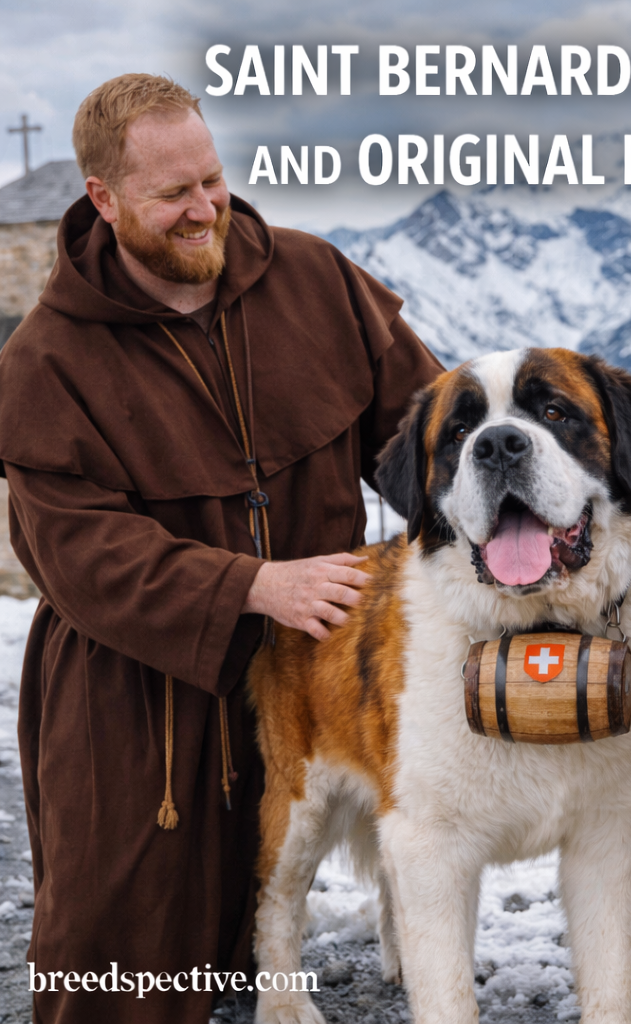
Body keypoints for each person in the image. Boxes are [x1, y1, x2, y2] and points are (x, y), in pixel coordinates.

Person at [0, 74, 442, 1023]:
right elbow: (75, 549)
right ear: (103, 199)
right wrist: (248, 584)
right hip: (139, 700)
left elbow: (428, 439)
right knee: (120, 968)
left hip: (313, 665)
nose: (205, 210)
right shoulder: (43, 362)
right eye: (171, 195)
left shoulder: (315, 277)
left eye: (213, 179)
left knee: (262, 940)